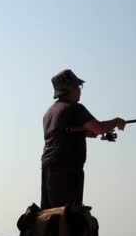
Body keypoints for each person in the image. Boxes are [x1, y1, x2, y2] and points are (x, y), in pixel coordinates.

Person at [41, 69, 126, 209]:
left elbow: (67, 133)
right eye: (77, 87)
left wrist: (89, 133)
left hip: (49, 169)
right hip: (68, 170)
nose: (80, 90)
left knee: (52, 213)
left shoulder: (49, 112)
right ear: (68, 89)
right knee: (70, 215)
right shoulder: (75, 108)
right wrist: (116, 121)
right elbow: (98, 128)